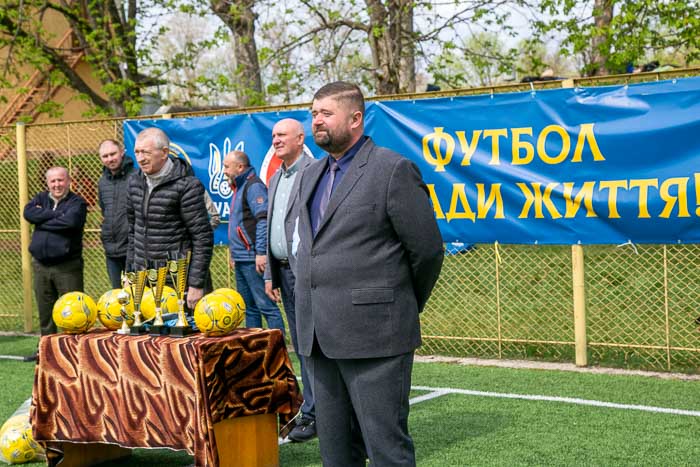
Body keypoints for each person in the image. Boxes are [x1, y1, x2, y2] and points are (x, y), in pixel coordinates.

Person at [294, 82, 444, 466]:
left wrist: (397, 304)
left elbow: (426, 252)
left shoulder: (392, 170)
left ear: (356, 118)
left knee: (386, 449)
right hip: (318, 337)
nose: (317, 121)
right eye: (313, 114)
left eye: (326, 113)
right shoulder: (310, 175)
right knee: (336, 452)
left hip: (376, 336)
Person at [263, 118, 316, 442]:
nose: (276, 140)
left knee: (312, 346)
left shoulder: (316, 172)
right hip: (282, 272)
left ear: (300, 138)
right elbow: (272, 227)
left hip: (307, 273)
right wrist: (271, 272)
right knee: (301, 345)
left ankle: (316, 413)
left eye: (282, 135)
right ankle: (312, 409)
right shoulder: (274, 180)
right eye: (273, 136)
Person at [126, 127, 213, 310]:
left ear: (164, 153)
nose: (140, 158)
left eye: (146, 152)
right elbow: (133, 233)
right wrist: (130, 276)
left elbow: (202, 237)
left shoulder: (187, 186)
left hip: (179, 282)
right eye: (137, 152)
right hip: (145, 281)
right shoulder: (134, 182)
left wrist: (196, 285)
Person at [23, 167, 88, 342]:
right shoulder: (40, 198)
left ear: (68, 181)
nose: (57, 184)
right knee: (46, 314)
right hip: (41, 266)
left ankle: (75, 352)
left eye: (60, 180)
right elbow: (28, 213)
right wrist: (56, 215)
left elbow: (71, 221)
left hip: (67, 267)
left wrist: (42, 220)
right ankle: (46, 352)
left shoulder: (78, 202)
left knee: (73, 313)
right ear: (48, 183)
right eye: (53, 181)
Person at [223, 150, 284, 333]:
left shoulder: (253, 186)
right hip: (242, 258)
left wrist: (260, 253)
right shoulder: (239, 186)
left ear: (240, 167)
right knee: (249, 308)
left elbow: (263, 220)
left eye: (227, 166)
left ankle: (278, 351)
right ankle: (255, 353)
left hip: (252, 259)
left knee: (267, 307)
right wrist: (234, 254)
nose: (224, 171)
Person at [97, 139, 136, 289]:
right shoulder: (102, 182)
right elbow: (104, 210)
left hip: (133, 250)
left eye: (113, 154)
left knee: (135, 297)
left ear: (121, 152)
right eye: (105, 156)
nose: (109, 159)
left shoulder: (136, 177)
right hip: (111, 250)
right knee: (117, 296)